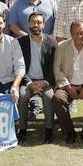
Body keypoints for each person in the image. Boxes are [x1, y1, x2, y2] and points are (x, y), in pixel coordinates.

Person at [52, 20, 83, 144]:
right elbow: (57, 69)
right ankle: (69, 132)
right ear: (70, 33)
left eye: (82, 33)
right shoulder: (62, 46)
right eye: (76, 33)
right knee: (57, 98)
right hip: (68, 85)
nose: (79, 36)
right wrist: (68, 86)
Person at [16, 12, 57, 144]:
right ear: (29, 24)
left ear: (44, 24)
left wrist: (45, 82)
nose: (35, 25)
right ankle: (22, 130)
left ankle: (49, 130)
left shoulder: (52, 42)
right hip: (28, 80)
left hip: (46, 81)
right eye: (33, 22)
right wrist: (29, 83)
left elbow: (54, 66)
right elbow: (18, 66)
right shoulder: (20, 42)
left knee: (49, 96)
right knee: (22, 96)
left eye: (39, 22)